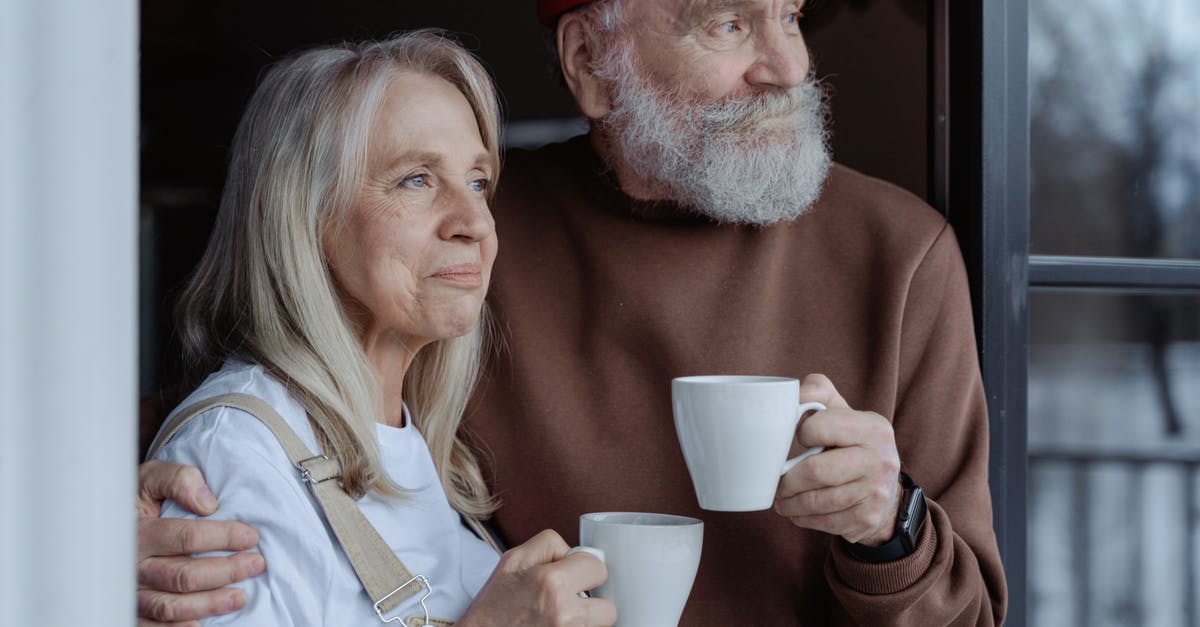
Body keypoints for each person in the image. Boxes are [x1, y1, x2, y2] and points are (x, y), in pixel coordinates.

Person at [138, 1, 1009, 625]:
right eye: (729, 23)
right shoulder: (465, 251)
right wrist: (101, 522)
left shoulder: (901, 255)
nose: (787, 65)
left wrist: (888, 528)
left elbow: (968, 615)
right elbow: (260, 409)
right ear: (591, 60)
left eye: (789, 14)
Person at [140, 30, 616, 626]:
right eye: (416, 179)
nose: (475, 221)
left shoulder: (416, 446)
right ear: (303, 212)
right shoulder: (232, 458)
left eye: (477, 182)